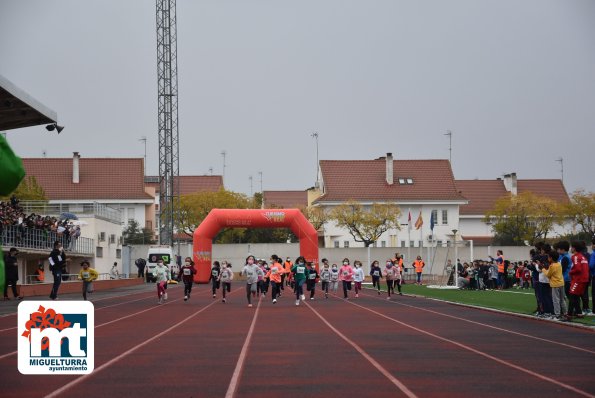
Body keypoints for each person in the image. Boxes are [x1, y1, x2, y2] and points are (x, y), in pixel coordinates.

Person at [542, 250, 567, 320]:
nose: (548, 258)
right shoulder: (559, 264)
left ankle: (557, 315)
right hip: (561, 283)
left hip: (555, 285)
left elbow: (548, 274)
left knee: (556, 300)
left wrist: (543, 269)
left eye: (548, 257)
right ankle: (565, 313)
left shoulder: (552, 266)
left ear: (551, 258)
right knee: (562, 299)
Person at [568, 241, 590, 320]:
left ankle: (569, 315)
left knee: (572, 295)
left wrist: (570, 272)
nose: (571, 248)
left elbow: (578, 268)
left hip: (578, 279)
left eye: (571, 247)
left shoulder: (575, 256)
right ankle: (579, 313)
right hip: (584, 279)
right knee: (576, 296)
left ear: (574, 248)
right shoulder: (582, 256)